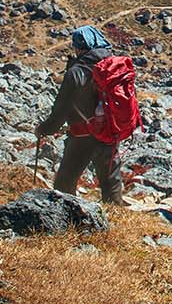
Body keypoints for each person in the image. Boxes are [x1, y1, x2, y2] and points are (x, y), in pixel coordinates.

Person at [36, 26, 126, 204]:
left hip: (82, 137)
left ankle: (69, 219)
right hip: (110, 133)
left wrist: (44, 129)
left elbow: (61, 110)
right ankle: (117, 222)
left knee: (64, 184)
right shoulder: (115, 69)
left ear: (79, 47)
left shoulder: (76, 72)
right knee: (111, 185)